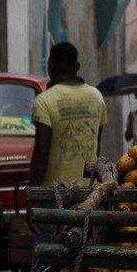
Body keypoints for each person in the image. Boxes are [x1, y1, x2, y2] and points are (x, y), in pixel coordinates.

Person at [30, 42, 107, 187]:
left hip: (53, 194)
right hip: (88, 192)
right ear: (77, 66)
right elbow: (96, 146)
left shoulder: (44, 100)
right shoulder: (96, 97)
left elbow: (42, 151)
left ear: (51, 66)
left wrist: (33, 194)